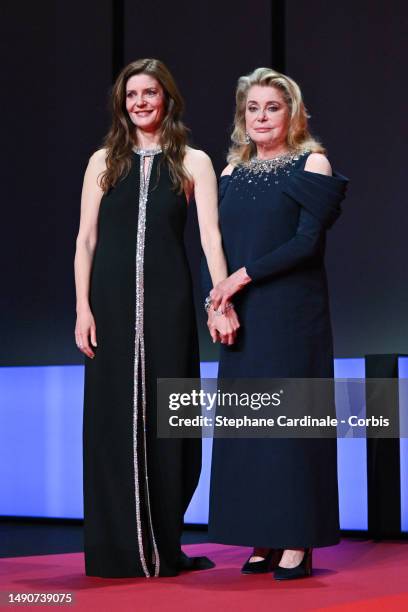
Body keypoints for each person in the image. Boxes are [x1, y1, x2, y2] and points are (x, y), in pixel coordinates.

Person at [74, 58, 239, 578]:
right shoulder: (104, 160)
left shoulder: (194, 161)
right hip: (111, 304)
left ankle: (165, 543)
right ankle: (117, 548)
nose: (140, 102)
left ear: (168, 98)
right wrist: (82, 306)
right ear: (122, 104)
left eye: (150, 93)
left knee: (173, 420)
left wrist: (222, 296)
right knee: (111, 421)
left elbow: (210, 236)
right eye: (131, 95)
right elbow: (86, 240)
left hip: (168, 304)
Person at [205, 67, 348, 580]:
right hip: (241, 315)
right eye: (253, 108)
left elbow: (306, 243)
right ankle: (261, 534)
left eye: (273, 107)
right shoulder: (230, 172)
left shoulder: (313, 163)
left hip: (292, 313)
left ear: (293, 113)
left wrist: (239, 279)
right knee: (250, 429)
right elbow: (214, 247)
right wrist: (217, 304)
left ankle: (297, 539)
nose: (262, 117)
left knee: (289, 429)